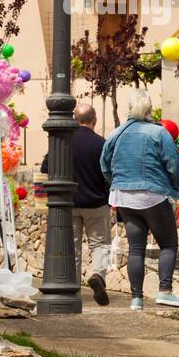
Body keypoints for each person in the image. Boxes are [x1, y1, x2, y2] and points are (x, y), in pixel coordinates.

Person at [100, 92, 179, 310]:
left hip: (123, 196)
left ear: (129, 108)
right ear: (148, 108)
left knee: (135, 248)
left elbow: (104, 165)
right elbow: (173, 164)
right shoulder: (159, 133)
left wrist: (117, 182)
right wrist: (176, 189)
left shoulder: (116, 133)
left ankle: (136, 299)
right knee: (168, 243)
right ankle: (165, 291)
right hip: (152, 193)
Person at [61, 104, 112, 305]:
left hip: (70, 202)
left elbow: (47, 166)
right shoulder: (102, 144)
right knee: (99, 245)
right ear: (95, 120)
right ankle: (97, 274)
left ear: (75, 119)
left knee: (72, 248)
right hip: (97, 203)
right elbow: (109, 173)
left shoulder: (65, 142)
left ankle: (73, 289)